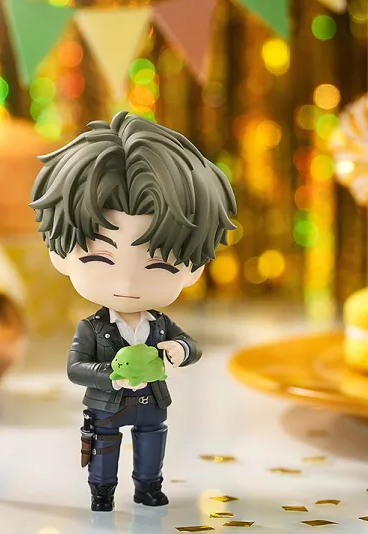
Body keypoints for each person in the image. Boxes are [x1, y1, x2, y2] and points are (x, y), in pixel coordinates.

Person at [29, 111, 237, 512]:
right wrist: (112, 375)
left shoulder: (160, 324)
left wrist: (178, 350)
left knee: (151, 443)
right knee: (104, 447)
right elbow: (76, 368)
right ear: (60, 254)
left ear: (193, 269)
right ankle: (102, 491)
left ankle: (148, 487)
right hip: (107, 405)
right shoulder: (92, 328)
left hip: (151, 404)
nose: (126, 283)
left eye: (157, 265)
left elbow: (191, 346)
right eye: (100, 260)